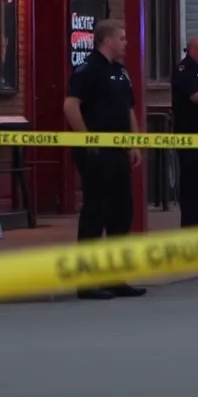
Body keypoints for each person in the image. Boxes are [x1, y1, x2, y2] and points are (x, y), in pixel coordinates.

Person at [63, 18, 147, 301]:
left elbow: (128, 109)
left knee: (121, 212)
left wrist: (134, 144)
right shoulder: (88, 70)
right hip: (97, 152)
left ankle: (115, 276)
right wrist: (88, 140)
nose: (125, 43)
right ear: (107, 40)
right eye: (122, 38)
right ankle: (86, 281)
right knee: (95, 212)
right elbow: (70, 105)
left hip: (119, 151)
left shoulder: (120, 73)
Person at [171, 35, 198, 228]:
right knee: (190, 179)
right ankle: (190, 221)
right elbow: (195, 97)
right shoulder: (185, 70)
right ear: (193, 49)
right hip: (189, 133)